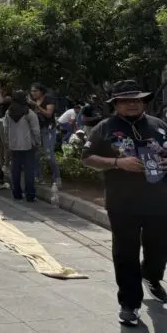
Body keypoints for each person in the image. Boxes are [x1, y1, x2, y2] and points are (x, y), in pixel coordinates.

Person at [81, 80, 167, 326]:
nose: (132, 104)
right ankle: (129, 304)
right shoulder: (104, 128)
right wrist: (118, 163)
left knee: (160, 248)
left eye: (137, 100)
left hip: (160, 200)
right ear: (116, 104)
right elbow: (87, 158)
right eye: (126, 100)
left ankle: (151, 276)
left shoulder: (159, 125)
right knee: (125, 253)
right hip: (122, 202)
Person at [3, 90, 39, 202]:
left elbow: (5, 129)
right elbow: (36, 131)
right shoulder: (29, 113)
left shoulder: (8, 113)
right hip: (28, 145)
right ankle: (30, 195)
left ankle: (17, 193)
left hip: (14, 146)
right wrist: (37, 142)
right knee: (29, 171)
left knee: (15, 170)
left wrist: (8, 142)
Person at [29, 83, 61, 188]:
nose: (33, 93)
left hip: (48, 130)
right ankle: (38, 176)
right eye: (32, 91)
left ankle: (57, 177)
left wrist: (36, 106)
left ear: (41, 91)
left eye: (35, 91)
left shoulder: (48, 100)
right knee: (35, 154)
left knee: (49, 155)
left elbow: (48, 114)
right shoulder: (32, 101)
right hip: (37, 130)